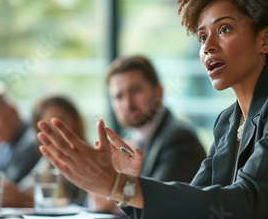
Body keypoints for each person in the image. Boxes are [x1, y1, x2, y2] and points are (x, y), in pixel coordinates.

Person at [36, 0, 268, 218]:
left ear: (265, 40)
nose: (208, 46)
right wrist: (127, 185)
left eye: (224, 29)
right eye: (202, 36)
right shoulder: (228, 122)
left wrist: (117, 186)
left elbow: (246, 203)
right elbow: (201, 205)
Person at [88, 56, 206, 214]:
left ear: (159, 91)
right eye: (118, 96)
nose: (127, 103)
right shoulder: (136, 140)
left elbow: (156, 205)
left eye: (135, 91)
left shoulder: (179, 139)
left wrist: (109, 186)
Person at [2, 94, 88, 207]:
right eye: (45, 127)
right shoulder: (48, 161)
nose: (53, 131)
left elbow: (89, 204)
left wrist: (28, 201)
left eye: (59, 122)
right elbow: (28, 189)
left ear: (76, 121)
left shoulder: (90, 158)